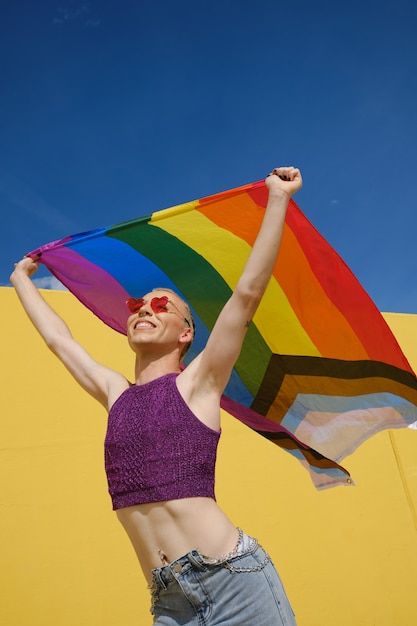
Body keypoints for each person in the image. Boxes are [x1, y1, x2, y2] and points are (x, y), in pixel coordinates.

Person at [11, 166, 301, 625]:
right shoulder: (114, 393)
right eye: (137, 305)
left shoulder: (200, 382)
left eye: (162, 304)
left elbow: (247, 293)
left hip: (234, 582)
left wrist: (278, 198)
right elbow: (59, 341)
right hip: (170, 602)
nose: (145, 308)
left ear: (187, 333)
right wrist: (23, 277)